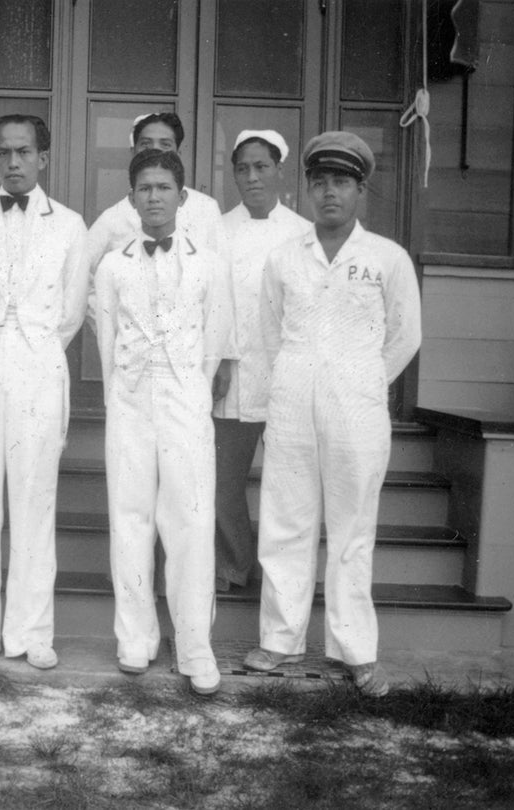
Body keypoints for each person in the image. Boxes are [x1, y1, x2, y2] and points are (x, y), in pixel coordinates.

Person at [244, 131, 422, 697]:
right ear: (307, 188)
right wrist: (299, 379)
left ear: (360, 190)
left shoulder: (387, 258)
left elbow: (405, 337)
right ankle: (280, 639)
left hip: (357, 406)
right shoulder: (284, 257)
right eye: (319, 182)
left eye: (341, 182)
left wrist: (361, 381)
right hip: (293, 400)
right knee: (286, 521)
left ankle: (355, 650)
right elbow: (271, 333)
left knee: (352, 529)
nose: (329, 193)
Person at [0, 114, 88, 669]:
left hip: (38, 365)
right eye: (3, 152)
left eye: (24, 152)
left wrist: (33, 348)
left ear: (42, 158)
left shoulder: (69, 225)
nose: (13, 162)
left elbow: (70, 311)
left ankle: (31, 632)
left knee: (34, 499)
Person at [94, 149, 235, 696]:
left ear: (182, 195)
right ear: (131, 198)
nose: (154, 197)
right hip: (130, 399)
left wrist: (187, 389)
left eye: (164, 187)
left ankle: (195, 645)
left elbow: (214, 343)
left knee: (190, 521)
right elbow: (108, 343)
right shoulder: (113, 266)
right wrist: (125, 394)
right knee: (130, 517)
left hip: (184, 400)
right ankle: (136, 636)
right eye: (144, 188)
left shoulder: (209, 264)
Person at [213, 130, 311, 592]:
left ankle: (283, 578)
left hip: (287, 378)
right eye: (243, 169)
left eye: (261, 167)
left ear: (279, 171)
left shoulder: (302, 234)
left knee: (288, 486)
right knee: (223, 482)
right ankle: (234, 565)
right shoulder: (218, 229)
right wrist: (220, 359)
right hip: (231, 377)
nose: (252, 177)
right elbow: (214, 302)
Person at [86, 112, 228, 278]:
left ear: (178, 153)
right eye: (146, 144)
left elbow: (222, 272)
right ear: (133, 151)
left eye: (165, 144)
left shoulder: (205, 208)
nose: (155, 151)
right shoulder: (112, 218)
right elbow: (82, 271)